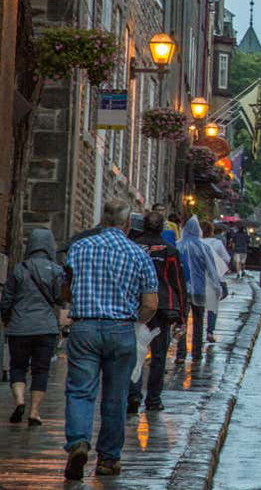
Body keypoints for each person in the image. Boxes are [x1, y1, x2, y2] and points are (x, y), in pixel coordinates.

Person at [62, 201, 159, 479]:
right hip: (121, 329)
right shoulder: (138, 254)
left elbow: (66, 291)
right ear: (128, 225)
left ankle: (79, 442)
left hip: (85, 327)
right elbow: (151, 303)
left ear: (102, 220)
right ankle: (108, 459)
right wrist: (134, 320)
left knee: (80, 390)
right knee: (115, 397)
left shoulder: (79, 248)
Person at [2, 229, 65, 426]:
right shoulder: (56, 271)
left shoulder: (19, 269)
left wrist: (7, 319)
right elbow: (59, 299)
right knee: (41, 370)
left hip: (20, 328)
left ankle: (20, 401)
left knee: (18, 367)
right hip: (46, 328)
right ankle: (34, 411)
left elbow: (6, 300)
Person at [127, 212, 187, 414]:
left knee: (135, 351)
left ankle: (133, 393)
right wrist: (181, 315)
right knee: (158, 356)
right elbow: (177, 283)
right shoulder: (169, 251)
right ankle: (153, 399)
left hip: (136, 305)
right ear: (163, 228)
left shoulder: (133, 248)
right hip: (161, 308)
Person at [176, 217, 223, 364]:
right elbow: (211, 269)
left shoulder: (177, 246)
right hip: (199, 290)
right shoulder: (203, 247)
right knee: (198, 321)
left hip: (182, 290)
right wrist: (217, 286)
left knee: (182, 322)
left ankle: (181, 354)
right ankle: (196, 353)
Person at [199, 221, 230, 344]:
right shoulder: (217, 243)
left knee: (198, 308)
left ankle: (197, 330)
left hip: (198, 279)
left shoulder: (196, 243)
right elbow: (227, 258)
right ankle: (210, 332)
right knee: (213, 307)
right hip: (215, 279)